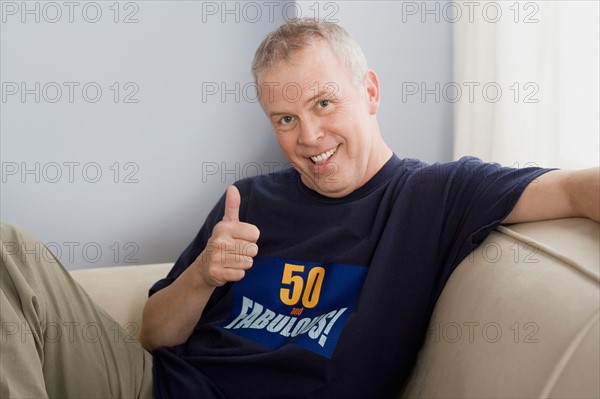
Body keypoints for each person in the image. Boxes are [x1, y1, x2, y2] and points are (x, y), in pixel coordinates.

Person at [1, 18, 598, 399]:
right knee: (6, 246)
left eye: (324, 104)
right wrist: (205, 275)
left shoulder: (436, 194)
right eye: (286, 119)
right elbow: (155, 335)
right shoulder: (249, 201)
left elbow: (575, 190)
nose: (308, 137)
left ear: (369, 92)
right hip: (153, 386)